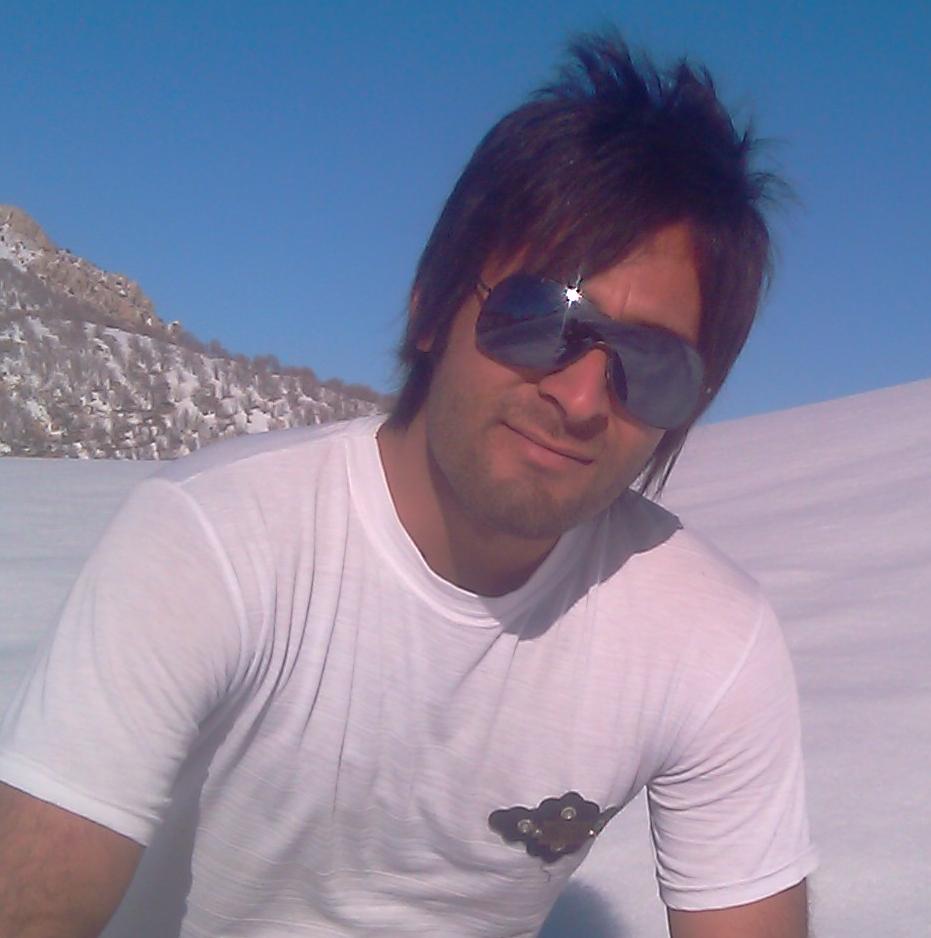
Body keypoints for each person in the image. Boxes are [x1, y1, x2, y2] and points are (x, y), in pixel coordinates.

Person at [0, 32, 817, 938]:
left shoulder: (707, 636)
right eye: (538, 318)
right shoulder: (214, 541)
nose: (581, 399)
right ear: (433, 307)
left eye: (652, 366)